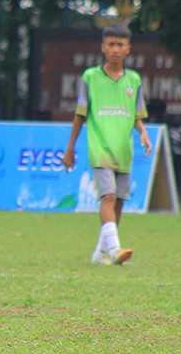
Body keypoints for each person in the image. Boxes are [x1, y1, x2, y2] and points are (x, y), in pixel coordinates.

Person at [62, 24, 152, 265]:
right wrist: (70, 148)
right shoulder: (90, 77)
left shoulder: (133, 79)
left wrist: (143, 132)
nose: (115, 49)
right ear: (102, 47)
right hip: (99, 147)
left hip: (124, 149)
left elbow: (137, 115)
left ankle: (100, 253)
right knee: (108, 197)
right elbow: (80, 114)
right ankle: (114, 249)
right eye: (110, 44)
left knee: (119, 202)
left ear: (128, 49)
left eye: (120, 45)